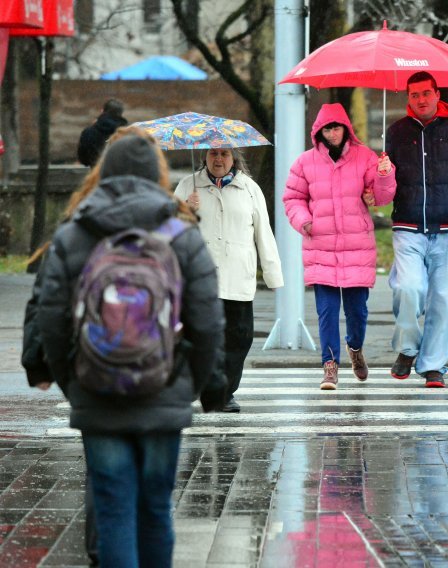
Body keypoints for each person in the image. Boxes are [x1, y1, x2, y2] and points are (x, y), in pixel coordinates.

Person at [30, 127, 226, 567]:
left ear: (104, 172)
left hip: (96, 392)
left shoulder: (75, 232)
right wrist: (187, 384)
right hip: (164, 390)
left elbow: (51, 317)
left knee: (115, 509)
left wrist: (73, 382)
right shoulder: (181, 232)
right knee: (155, 510)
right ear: (156, 174)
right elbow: (210, 320)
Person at [283, 103, 396, 389]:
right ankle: (330, 365)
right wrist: (304, 220)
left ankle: (355, 348)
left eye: (336, 127)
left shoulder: (366, 157)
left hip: (356, 245)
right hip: (320, 245)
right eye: (326, 129)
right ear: (318, 132)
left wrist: (384, 174)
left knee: (357, 312)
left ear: (346, 128)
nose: (332, 133)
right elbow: (292, 198)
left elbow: (380, 198)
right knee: (327, 311)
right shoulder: (304, 162)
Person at [385, 71, 448, 388]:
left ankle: (432, 366)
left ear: (437, 93)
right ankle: (407, 349)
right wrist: (380, 180)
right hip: (408, 225)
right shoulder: (396, 132)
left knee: (446, 302)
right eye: (414, 95)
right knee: (408, 289)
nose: (420, 100)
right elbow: (386, 185)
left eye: (425, 93)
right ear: (408, 98)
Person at [174, 147, 284, 412]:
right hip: (200, 278)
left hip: (237, 276)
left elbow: (263, 234)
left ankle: (224, 393)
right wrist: (184, 211)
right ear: (205, 157)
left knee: (238, 338)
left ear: (234, 158)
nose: (219, 159)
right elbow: (168, 230)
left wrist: (273, 274)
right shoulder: (188, 185)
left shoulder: (249, 189)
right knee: (198, 336)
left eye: (224, 154)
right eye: (213, 154)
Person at [77, 98, 128, 167]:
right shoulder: (128, 133)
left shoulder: (88, 132)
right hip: (122, 173)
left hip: (97, 174)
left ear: (102, 111)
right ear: (121, 114)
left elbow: (84, 159)